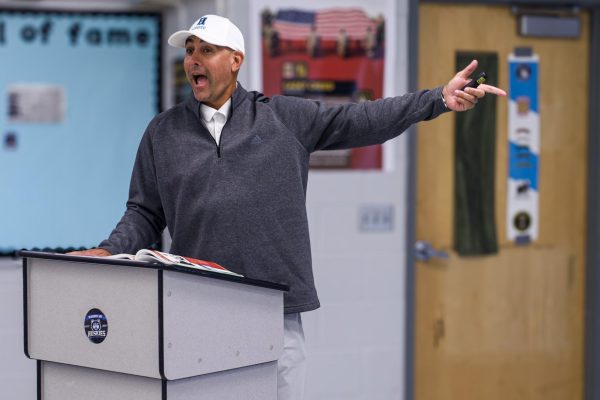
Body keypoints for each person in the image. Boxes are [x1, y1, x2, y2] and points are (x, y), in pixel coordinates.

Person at [70, 14, 506, 400]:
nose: (194, 60)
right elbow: (145, 211)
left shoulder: (284, 118)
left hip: (274, 309)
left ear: (236, 60)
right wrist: (108, 250)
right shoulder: (163, 132)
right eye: (189, 51)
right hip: (195, 307)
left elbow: (364, 119)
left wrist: (436, 100)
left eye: (207, 50)